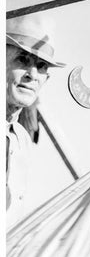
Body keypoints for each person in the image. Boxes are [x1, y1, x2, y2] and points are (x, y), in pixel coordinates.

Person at [6, 14, 65, 227]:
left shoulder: (21, 138)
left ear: (46, 79)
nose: (33, 74)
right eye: (22, 59)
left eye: (41, 66)